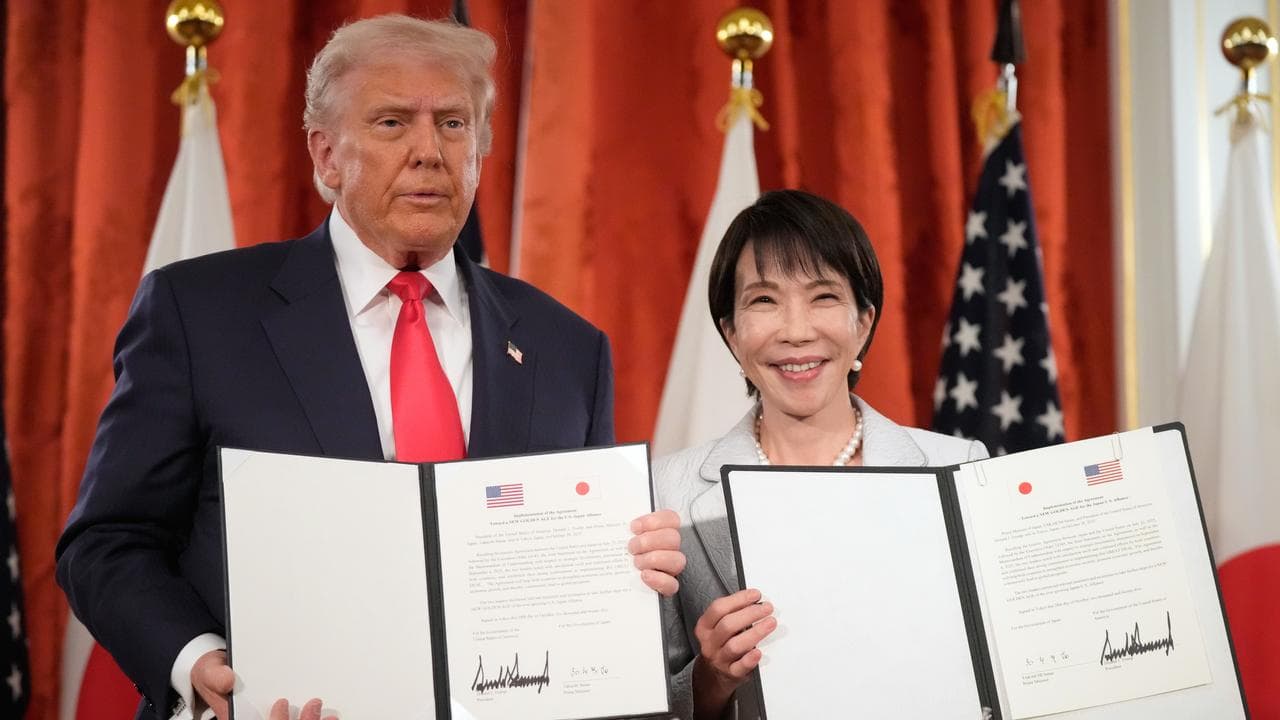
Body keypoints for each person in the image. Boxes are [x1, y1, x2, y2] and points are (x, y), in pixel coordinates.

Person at [55, 15, 684, 720]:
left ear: (480, 151)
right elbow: (108, 541)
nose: (429, 152)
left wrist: (623, 563)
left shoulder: (568, 348)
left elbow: (567, 573)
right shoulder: (199, 313)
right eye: (391, 123)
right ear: (326, 155)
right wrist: (200, 663)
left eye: (453, 125)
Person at [654, 189, 988, 720]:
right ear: (731, 334)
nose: (796, 331)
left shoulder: (961, 468)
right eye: (764, 301)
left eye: (824, 296)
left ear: (864, 322)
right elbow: (641, 702)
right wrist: (709, 678)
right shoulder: (666, 493)